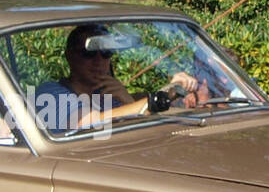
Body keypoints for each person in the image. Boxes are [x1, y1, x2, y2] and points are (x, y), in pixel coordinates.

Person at [33, 24, 203, 133]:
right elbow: (87, 123)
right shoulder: (51, 93)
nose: (99, 61)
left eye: (106, 53)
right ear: (70, 56)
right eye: (89, 53)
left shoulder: (109, 95)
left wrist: (172, 90)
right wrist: (133, 101)